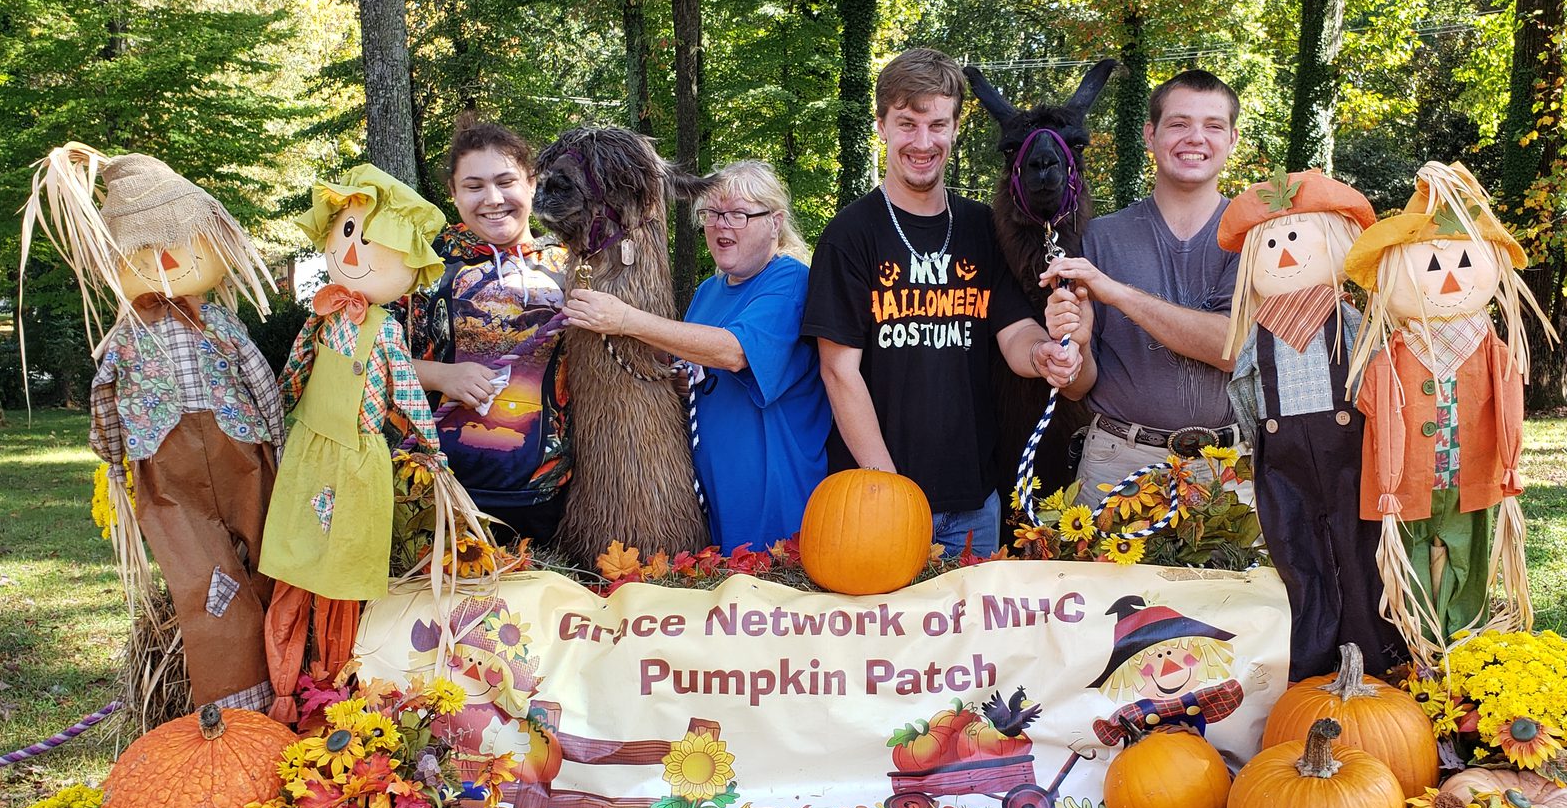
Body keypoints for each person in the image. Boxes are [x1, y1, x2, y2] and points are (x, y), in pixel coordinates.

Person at [801, 47, 1083, 556]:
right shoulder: (851, 234)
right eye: (907, 124)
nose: (923, 142)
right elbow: (838, 372)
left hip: (975, 502)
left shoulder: (981, 227)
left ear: (955, 128)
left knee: (972, 637)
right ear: (882, 125)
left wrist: (1043, 353)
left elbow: (1014, 331)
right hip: (876, 498)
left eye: (937, 125)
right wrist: (887, 491)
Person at [561, 161, 831, 551]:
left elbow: (734, 351)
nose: (722, 225)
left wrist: (625, 319)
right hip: (718, 493)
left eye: (738, 214)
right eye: (712, 214)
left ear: (775, 222)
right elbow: (695, 356)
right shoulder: (708, 291)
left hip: (775, 495)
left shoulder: (789, 280)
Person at [1043, 69, 1246, 497]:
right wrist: (1074, 348)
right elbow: (1080, 385)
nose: (1195, 138)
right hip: (1116, 461)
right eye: (1179, 123)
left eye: (1213, 126)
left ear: (1232, 140)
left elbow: (1231, 347)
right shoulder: (1099, 237)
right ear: (1150, 135)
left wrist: (1115, 291)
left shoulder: (1257, 238)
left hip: (1226, 470)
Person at [407, 117, 572, 545]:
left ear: (532, 183)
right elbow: (372, 359)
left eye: (506, 181)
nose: (493, 199)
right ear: (454, 194)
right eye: (474, 186)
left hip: (549, 491)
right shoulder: (424, 269)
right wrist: (443, 375)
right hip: (441, 486)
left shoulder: (571, 265)